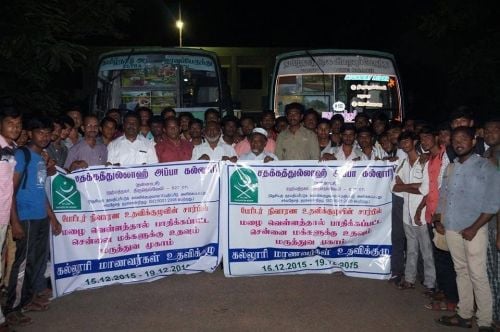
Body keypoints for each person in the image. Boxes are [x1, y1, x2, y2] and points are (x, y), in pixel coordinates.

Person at [434, 127, 499, 331]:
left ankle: (485, 321)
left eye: (463, 139)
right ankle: (464, 315)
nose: (458, 143)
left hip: (475, 230)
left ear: (473, 141)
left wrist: (474, 227)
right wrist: (438, 218)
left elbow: (493, 203)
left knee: (478, 275)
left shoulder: (485, 166)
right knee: (461, 271)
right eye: (455, 140)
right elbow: (443, 196)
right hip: (452, 227)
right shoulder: (451, 168)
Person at [5, 117, 62, 327]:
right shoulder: (22, 155)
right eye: (40, 132)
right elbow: (10, 189)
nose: (45, 136)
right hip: (26, 217)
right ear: (30, 134)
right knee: (21, 264)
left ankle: (27, 300)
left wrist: (52, 218)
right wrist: (16, 221)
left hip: (40, 217)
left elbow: (41, 192)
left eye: (48, 133)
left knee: (35, 262)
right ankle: (12, 308)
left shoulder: (40, 158)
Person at [392, 131, 435, 293]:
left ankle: (430, 283)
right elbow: (394, 187)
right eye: (402, 142)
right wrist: (412, 186)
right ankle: (409, 279)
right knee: (411, 248)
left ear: (414, 141)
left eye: (407, 141)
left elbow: (425, 189)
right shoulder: (403, 163)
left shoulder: (424, 162)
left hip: (421, 214)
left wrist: (405, 187)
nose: (404, 144)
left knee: (426, 251)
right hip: (406, 214)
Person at [0, 107, 21, 332]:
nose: (14, 128)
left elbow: (10, 189)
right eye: (9, 123)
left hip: (5, 215)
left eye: (18, 124)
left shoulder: (12, 149)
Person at [482, 118, 500, 328]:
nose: (490, 133)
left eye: (495, 130)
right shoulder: (487, 155)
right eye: (487, 130)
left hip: (496, 224)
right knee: (491, 272)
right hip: (486, 222)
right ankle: (494, 314)